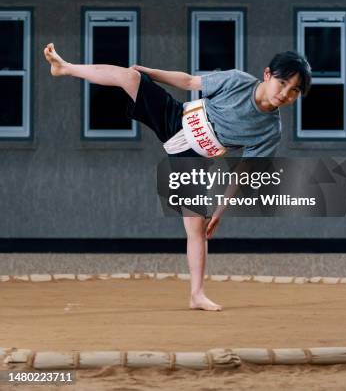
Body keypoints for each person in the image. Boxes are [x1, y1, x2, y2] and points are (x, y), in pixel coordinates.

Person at [44, 43, 311, 311]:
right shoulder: (238, 80)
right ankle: (65, 67)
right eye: (282, 82)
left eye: (295, 91)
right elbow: (189, 81)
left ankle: (197, 294)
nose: (285, 93)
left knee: (197, 228)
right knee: (130, 76)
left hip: (193, 158)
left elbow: (245, 170)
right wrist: (151, 72)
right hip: (177, 119)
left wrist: (220, 209)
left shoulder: (270, 131)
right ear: (267, 74)